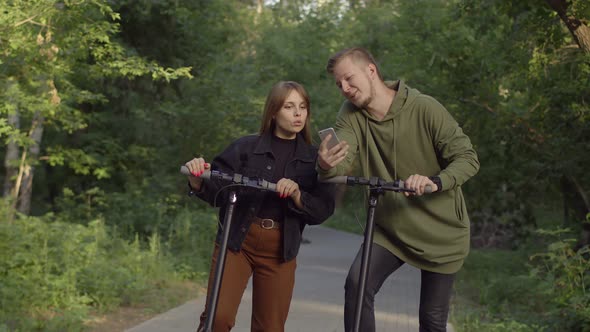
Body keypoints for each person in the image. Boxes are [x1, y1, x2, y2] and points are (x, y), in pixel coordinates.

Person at [317, 47, 480, 332]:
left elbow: (468, 158)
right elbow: (342, 159)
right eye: (338, 84)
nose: (344, 88)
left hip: (441, 232)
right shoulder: (350, 114)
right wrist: (327, 163)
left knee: (431, 320)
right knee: (356, 286)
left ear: (371, 71)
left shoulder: (424, 107)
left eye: (349, 79)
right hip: (389, 229)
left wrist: (435, 181)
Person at [184, 81, 335, 332]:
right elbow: (217, 193)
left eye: (303, 107)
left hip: (280, 249)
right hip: (237, 242)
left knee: (270, 328)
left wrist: (298, 194)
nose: (298, 114)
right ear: (274, 111)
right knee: (217, 319)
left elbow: (321, 210)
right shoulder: (245, 148)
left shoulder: (314, 159)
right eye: (289, 106)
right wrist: (196, 178)